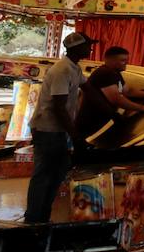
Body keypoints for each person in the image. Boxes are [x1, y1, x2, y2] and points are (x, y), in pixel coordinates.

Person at [24, 32, 93, 224]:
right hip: (47, 129)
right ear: (77, 47)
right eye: (88, 45)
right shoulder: (61, 70)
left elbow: (88, 88)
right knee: (44, 174)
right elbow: (59, 107)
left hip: (58, 130)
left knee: (58, 172)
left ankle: (42, 216)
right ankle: (33, 219)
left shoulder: (74, 68)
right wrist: (76, 136)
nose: (91, 48)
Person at [75, 45, 144, 151]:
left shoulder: (115, 74)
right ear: (111, 60)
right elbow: (116, 99)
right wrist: (142, 108)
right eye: (123, 60)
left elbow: (128, 91)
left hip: (99, 122)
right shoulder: (105, 73)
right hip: (91, 123)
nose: (126, 63)